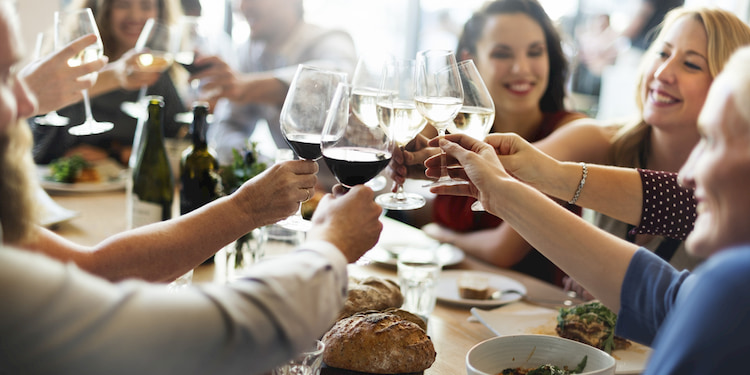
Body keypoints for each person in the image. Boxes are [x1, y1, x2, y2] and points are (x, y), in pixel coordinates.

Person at [0, 3, 384, 373]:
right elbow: (216, 334)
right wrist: (328, 246)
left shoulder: (327, 38)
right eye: (3, 78)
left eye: (9, 74)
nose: (24, 101)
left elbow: (96, 270)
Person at [425, 44, 750, 374]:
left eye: (710, 140)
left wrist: (512, 192)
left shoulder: (733, 283)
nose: (688, 176)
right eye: (662, 53)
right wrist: (511, 192)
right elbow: (662, 298)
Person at [533, 7, 750, 284]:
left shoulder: (730, 196)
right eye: (662, 53)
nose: (662, 72)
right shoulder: (605, 140)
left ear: (727, 89)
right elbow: (514, 167)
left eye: (691, 64)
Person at [390, 0, 586, 284]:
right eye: (502, 54)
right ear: (471, 59)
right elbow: (447, 209)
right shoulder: (448, 123)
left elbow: (501, 250)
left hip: (529, 310)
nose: (521, 68)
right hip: (450, 294)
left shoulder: (569, 131)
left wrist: (439, 235)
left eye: (535, 52)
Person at [192, 0, 357, 167]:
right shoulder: (248, 53)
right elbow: (226, 129)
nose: (243, 7)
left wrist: (247, 87)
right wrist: (267, 167)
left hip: (358, 186)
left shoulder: (331, 39)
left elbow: (339, 78)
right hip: (301, 189)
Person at [30, 0, 188, 166]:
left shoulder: (158, 75)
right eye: (123, 4)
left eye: (146, 6)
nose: (135, 16)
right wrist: (116, 75)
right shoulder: (69, 61)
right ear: (102, 10)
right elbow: (38, 149)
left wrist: (114, 154)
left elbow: (179, 141)